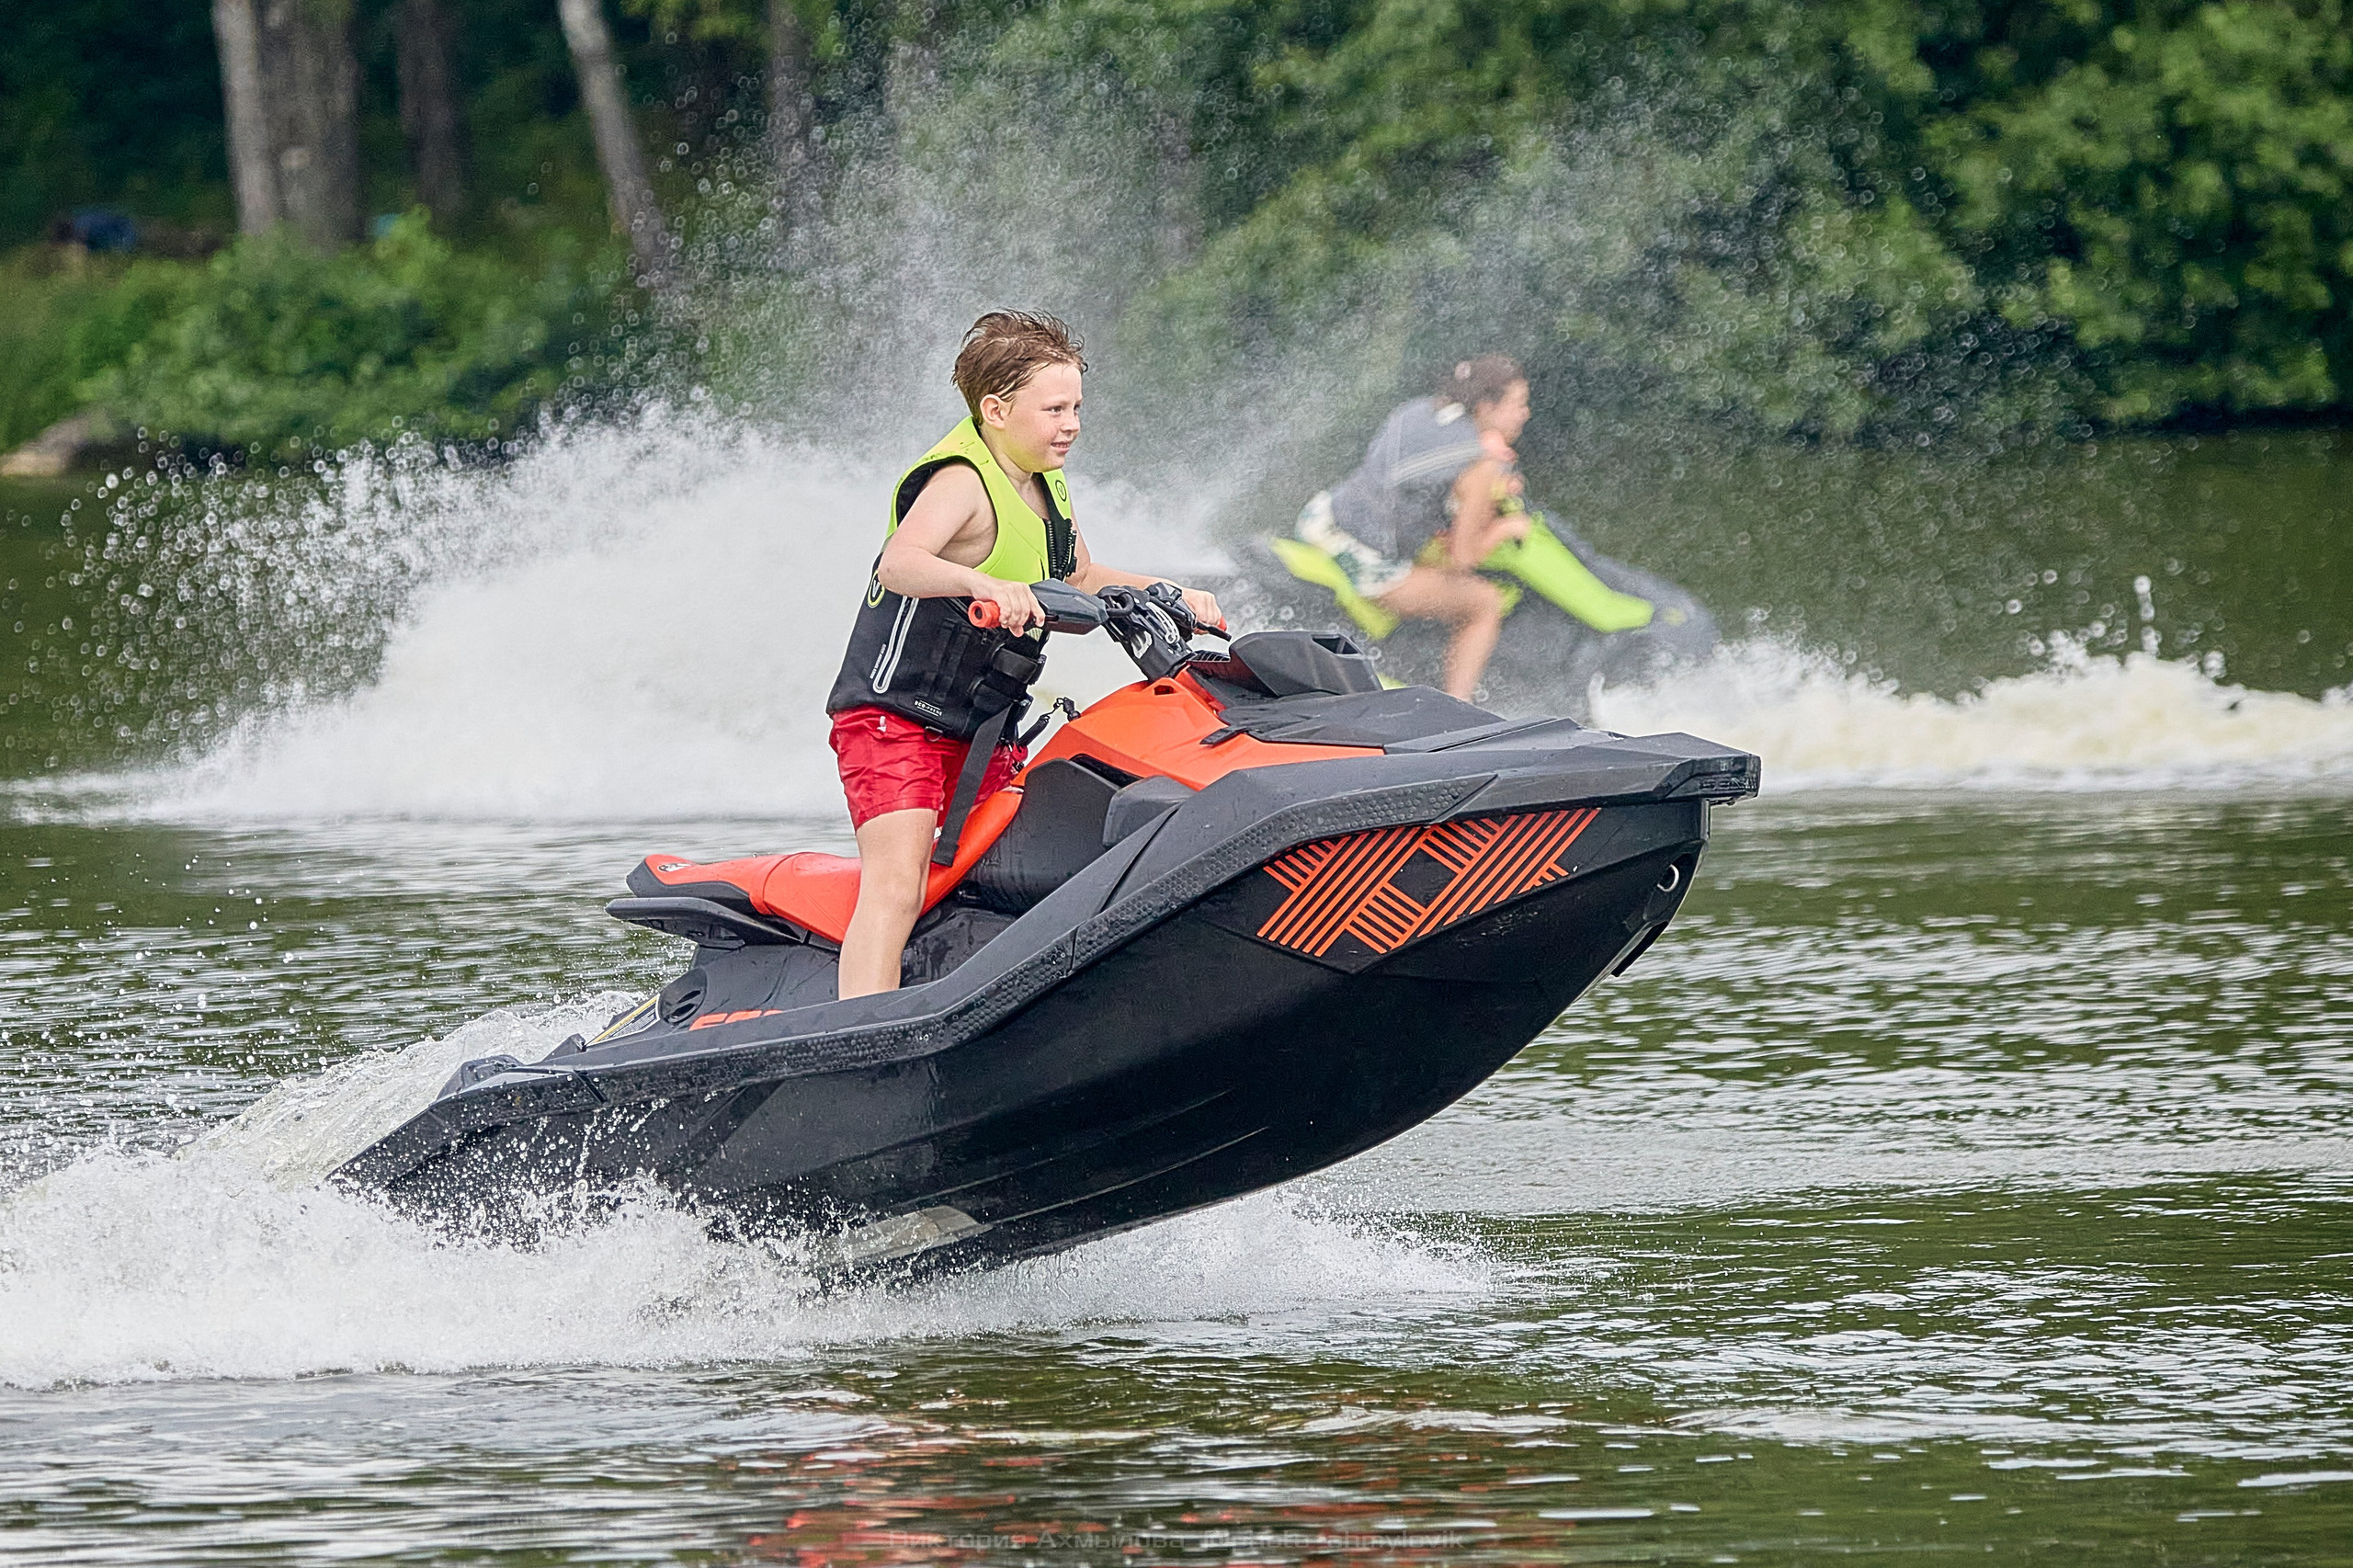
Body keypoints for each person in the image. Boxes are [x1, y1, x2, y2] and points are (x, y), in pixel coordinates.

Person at [825, 311, 1221, 999]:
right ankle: (860, 1038)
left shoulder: (1046, 483)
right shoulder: (961, 483)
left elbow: (1081, 578)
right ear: (997, 410)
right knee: (899, 883)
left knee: (1013, 870)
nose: (1070, 424)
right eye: (1054, 409)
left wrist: (1173, 592)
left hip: (980, 729)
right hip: (894, 721)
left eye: (1076, 408)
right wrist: (980, 582)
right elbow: (900, 562)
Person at [1293, 357, 1533, 699]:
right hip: (1366, 557)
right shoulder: (1481, 465)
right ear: (1486, 407)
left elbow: (1411, 482)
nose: (1524, 414)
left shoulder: (1421, 410)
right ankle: (1459, 705)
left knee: (1434, 565)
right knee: (1485, 602)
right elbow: (1465, 556)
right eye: (1518, 404)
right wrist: (1505, 527)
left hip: (1323, 517)